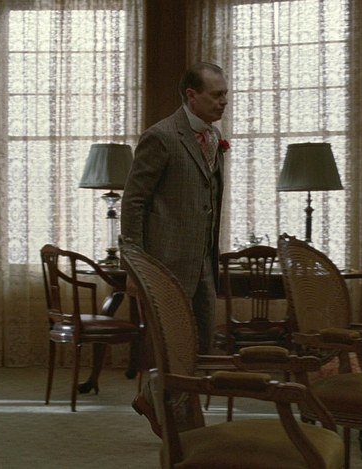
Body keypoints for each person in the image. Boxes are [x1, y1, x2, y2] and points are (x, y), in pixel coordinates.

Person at [120, 62, 228, 437]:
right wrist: (135, 266)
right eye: (217, 95)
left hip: (204, 264)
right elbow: (134, 201)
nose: (224, 102)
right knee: (172, 346)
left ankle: (153, 396)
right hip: (166, 266)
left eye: (226, 95)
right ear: (191, 96)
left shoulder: (215, 137)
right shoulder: (161, 136)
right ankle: (182, 423)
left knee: (201, 344)